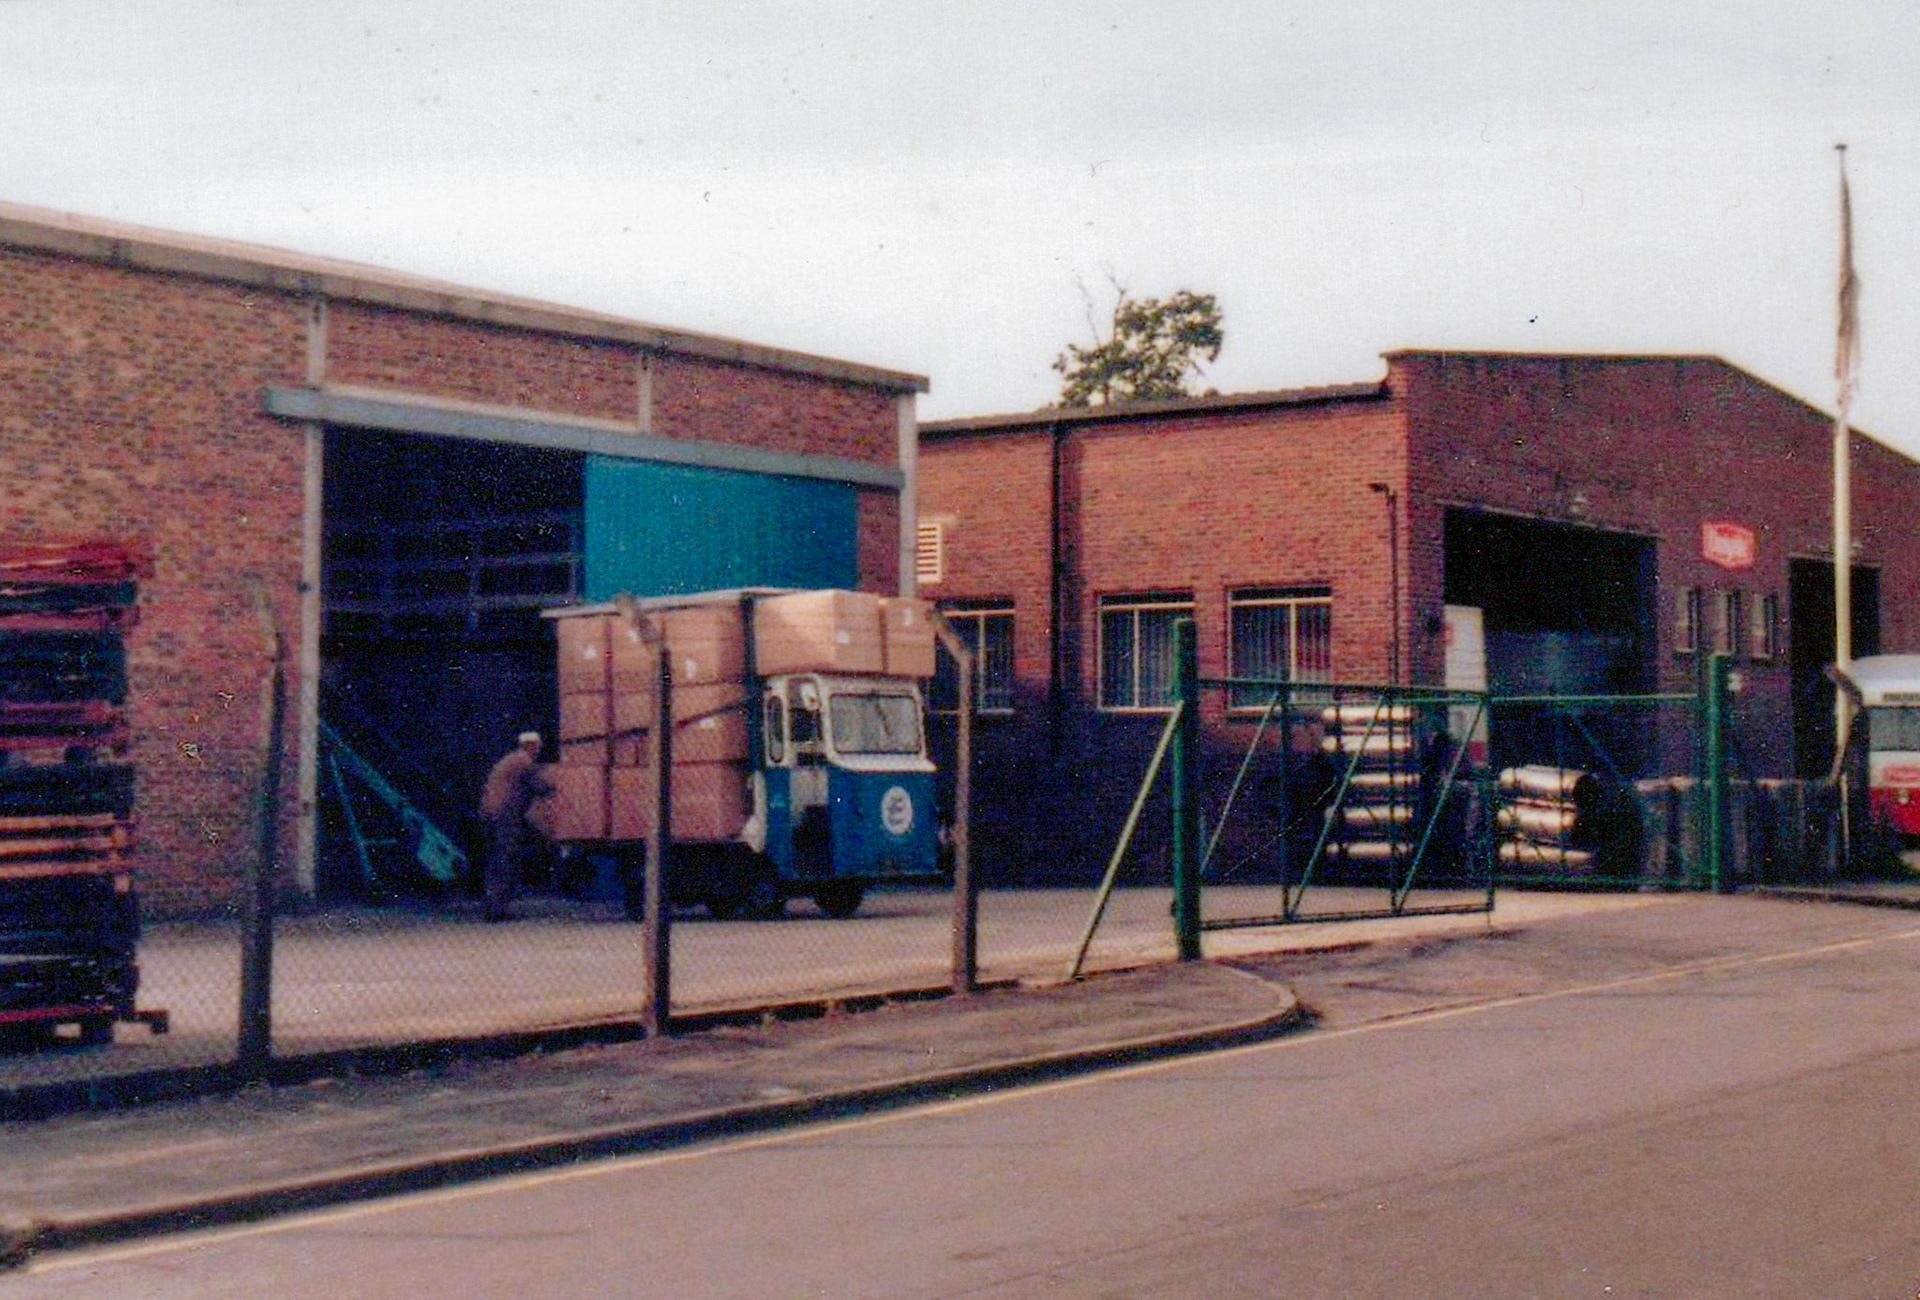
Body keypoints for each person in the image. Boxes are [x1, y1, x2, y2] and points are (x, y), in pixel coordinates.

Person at [478, 731, 551, 921]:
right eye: (537, 746)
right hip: (504, 815)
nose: (539, 750)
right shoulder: (522, 761)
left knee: (496, 859)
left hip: (492, 813)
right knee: (505, 859)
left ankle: (494, 905)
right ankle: (496, 909)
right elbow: (540, 786)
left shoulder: (510, 760)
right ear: (531, 746)